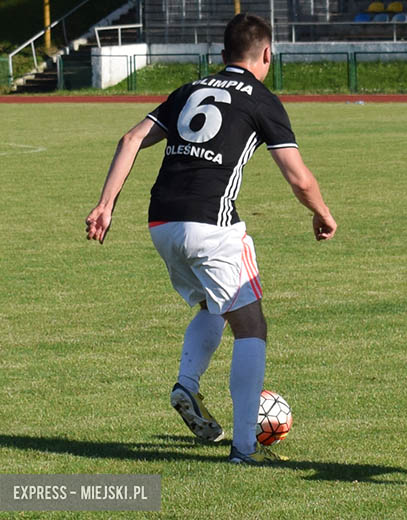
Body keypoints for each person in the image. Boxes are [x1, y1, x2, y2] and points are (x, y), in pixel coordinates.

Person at [85, 13, 337, 466]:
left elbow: (130, 138)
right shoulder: (262, 100)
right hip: (211, 225)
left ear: (221, 57)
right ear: (266, 54)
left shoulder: (188, 90)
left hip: (161, 223)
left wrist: (105, 205)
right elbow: (299, 178)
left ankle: (187, 384)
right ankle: (244, 449)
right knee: (251, 325)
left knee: (212, 306)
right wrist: (320, 212)